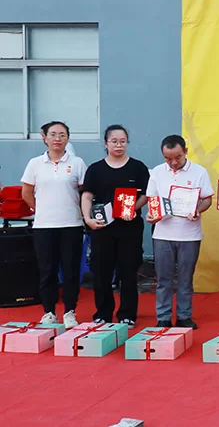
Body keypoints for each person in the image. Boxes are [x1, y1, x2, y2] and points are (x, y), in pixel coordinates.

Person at [81, 125, 150, 327]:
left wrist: (133, 208)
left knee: (128, 272)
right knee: (101, 272)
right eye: (114, 141)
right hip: (102, 228)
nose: (118, 145)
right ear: (106, 143)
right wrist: (88, 219)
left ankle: (127, 314)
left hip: (129, 228)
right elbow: (87, 195)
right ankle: (103, 313)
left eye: (122, 141)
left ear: (127, 143)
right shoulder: (95, 169)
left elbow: (146, 194)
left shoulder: (137, 167)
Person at [20, 121, 87, 328]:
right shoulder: (35, 163)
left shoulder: (77, 163)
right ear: (45, 138)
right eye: (53, 134)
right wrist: (40, 209)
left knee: (70, 270)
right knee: (46, 270)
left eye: (62, 135)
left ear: (68, 138)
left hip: (71, 224)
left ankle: (70, 311)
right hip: (44, 226)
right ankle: (49, 312)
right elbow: (26, 193)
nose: (57, 139)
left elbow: (85, 193)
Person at [145, 135, 213, 329]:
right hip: (162, 234)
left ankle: (184, 316)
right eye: (168, 158)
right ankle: (163, 317)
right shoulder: (157, 172)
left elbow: (207, 199)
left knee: (185, 278)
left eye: (178, 157)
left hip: (189, 235)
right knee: (163, 279)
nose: (173, 162)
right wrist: (152, 215)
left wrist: (197, 210)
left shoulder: (199, 172)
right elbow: (152, 201)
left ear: (185, 152)